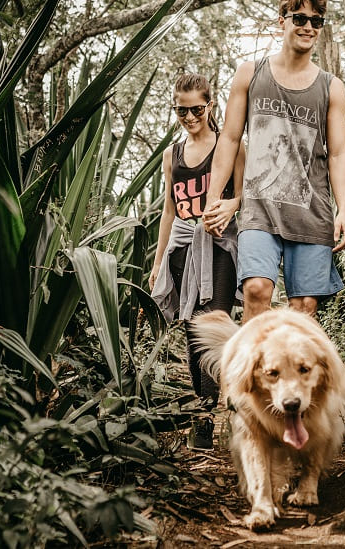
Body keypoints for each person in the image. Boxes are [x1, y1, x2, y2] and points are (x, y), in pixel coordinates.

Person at [202, 0, 345, 323]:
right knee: (256, 290)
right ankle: (248, 376)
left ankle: (293, 377)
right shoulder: (250, 73)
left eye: (317, 21)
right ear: (281, 21)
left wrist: (344, 210)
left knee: (304, 311)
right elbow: (228, 139)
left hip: (312, 213)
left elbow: (339, 154)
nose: (308, 27)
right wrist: (214, 197)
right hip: (260, 210)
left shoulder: (332, 87)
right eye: (300, 18)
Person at [150, 73, 245, 450]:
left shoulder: (231, 146)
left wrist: (231, 210)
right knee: (191, 332)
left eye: (196, 109)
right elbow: (168, 212)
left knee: (213, 326)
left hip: (219, 246)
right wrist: (158, 262)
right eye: (181, 110)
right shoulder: (170, 156)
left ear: (210, 105)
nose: (189, 117)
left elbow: (244, 197)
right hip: (182, 247)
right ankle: (203, 416)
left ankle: (211, 417)